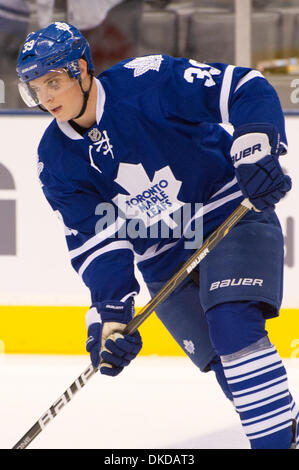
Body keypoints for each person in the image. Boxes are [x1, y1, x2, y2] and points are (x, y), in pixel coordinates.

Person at [16, 22, 298, 449]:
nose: (47, 98)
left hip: (227, 212)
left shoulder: (149, 81)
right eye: (37, 88)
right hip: (160, 255)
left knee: (232, 324)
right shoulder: (54, 158)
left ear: (81, 69)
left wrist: (256, 145)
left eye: (53, 81)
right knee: (228, 368)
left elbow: (245, 86)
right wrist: (110, 316)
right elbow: (96, 240)